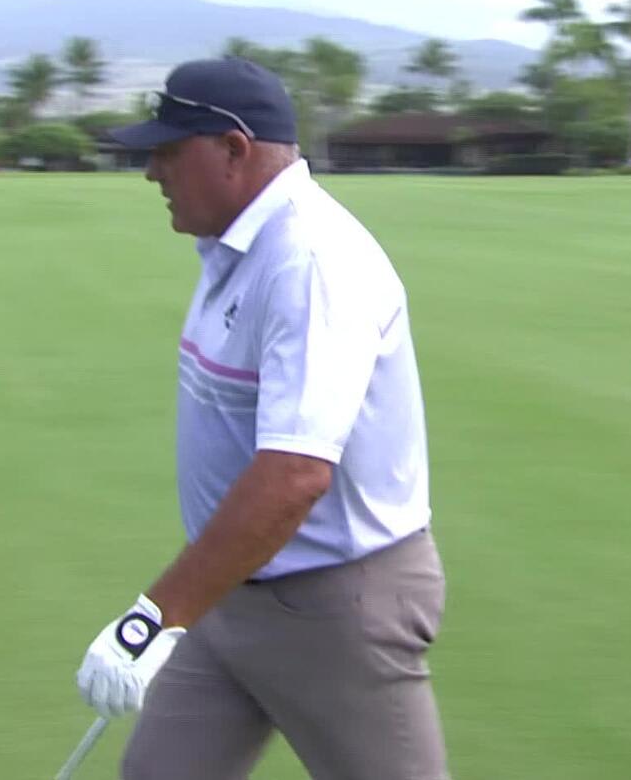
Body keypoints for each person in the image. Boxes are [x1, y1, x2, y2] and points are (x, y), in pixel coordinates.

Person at [76, 56, 448, 780]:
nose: (152, 171)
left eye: (168, 151)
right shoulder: (234, 249)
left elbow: (294, 474)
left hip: (335, 606)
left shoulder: (309, 263)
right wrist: (186, 603)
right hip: (230, 591)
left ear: (234, 150)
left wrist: (151, 617)